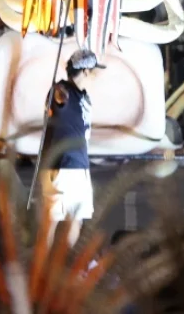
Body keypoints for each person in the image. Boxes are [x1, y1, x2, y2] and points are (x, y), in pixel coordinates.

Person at [40, 48, 105, 244]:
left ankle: (68, 266)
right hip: (64, 165)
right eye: (94, 70)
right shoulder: (62, 91)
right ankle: (42, 267)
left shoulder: (84, 97)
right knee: (52, 220)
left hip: (80, 165)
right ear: (85, 72)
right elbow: (58, 101)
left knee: (76, 220)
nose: (97, 75)